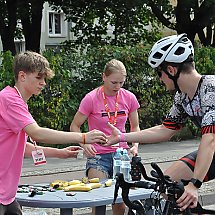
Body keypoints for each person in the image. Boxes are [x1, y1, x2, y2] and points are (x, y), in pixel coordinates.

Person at [106, 33, 215, 212]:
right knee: (166, 184)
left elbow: (210, 139)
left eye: (160, 72)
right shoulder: (182, 96)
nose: (160, 79)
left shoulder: (211, 88)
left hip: (212, 146)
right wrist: (122, 136)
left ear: (171, 70)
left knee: (189, 192)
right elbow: (165, 130)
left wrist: (195, 184)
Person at [0, 51, 107, 215]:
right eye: (38, 78)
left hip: (6, 194)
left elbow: (22, 148)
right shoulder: (9, 100)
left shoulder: (16, 100)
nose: (43, 83)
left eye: (44, 79)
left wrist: (60, 153)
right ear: (22, 76)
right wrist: (83, 136)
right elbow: (37, 133)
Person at [70, 59, 140, 215]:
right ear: (104, 77)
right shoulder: (91, 98)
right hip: (98, 155)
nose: (118, 87)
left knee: (120, 203)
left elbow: (135, 127)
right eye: (114, 82)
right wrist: (84, 143)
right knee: (100, 199)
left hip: (121, 155)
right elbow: (74, 126)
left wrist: (134, 145)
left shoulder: (129, 97)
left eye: (121, 82)